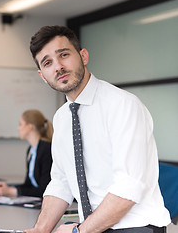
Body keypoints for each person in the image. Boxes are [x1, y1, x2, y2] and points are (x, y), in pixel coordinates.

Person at [25, 25, 170, 233]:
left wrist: (79, 231)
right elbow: (61, 182)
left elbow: (128, 188)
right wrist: (39, 230)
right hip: (93, 228)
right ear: (42, 75)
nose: (58, 67)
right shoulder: (62, 118)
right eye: (48, 63)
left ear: (83, 56)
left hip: (135, 227)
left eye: (64, 55)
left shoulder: (122, 105)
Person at [0, 109, 53, 198]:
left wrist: (12, 191)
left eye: (20, 124)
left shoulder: (46, 149)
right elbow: (29, 185)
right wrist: (8, 188)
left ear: (30, 127)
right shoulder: (31, 150)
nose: (18, 128)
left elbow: (44, 190)